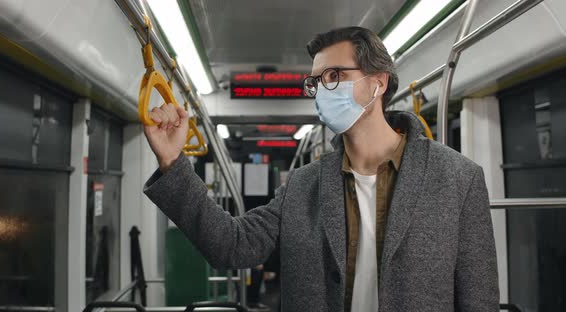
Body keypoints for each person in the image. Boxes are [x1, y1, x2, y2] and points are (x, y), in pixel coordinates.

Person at [143, 27, 499, 312]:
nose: (319, 90)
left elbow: (477, 299)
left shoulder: (457, 179)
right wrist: (173, 163)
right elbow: (232, 246)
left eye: (334, 75)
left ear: (377, 83)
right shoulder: (303, 185)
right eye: (315, 81)